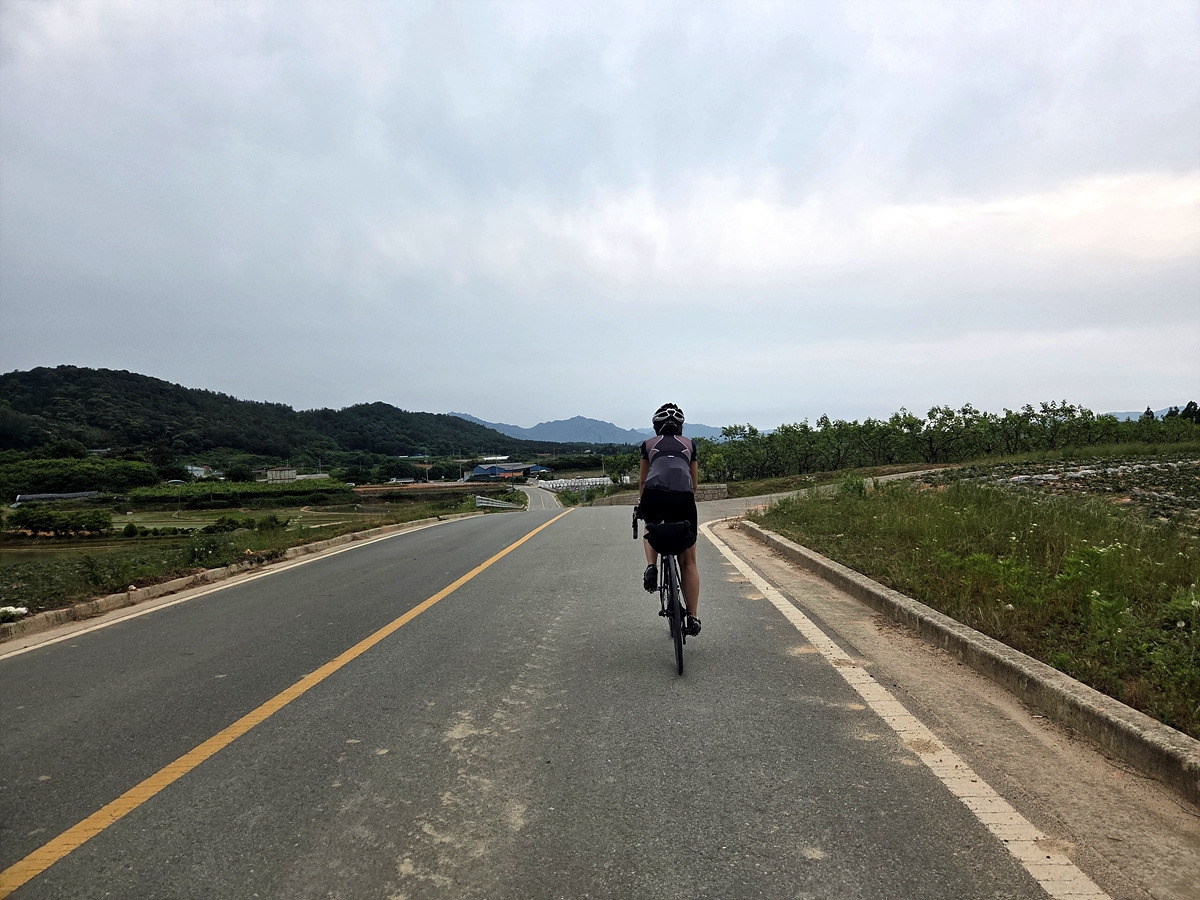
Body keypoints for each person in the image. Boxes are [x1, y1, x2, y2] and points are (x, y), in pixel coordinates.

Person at [637, 402, 701, 637]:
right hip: (683, 497)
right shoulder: (690, 445)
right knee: (689, 562)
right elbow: (694, 483)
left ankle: (651, 566)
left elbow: (643, 481)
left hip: (654, 495)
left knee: (650, 526)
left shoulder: (648, 445)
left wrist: (641, 504)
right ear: (680, 427)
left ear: (656, 427)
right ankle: (693, 618)